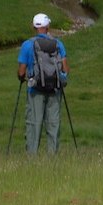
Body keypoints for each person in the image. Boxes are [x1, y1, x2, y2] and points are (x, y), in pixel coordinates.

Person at [16, 13, 69, 155]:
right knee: (53, 124)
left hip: (35, 91)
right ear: (48, 26)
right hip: (55, 90)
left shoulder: (28, 45)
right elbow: (65, 68)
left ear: (34, 27)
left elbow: (21, 71)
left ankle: (32, 157)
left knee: (34, 123)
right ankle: (52, 157)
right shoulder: (58, 44)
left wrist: (22, 78)